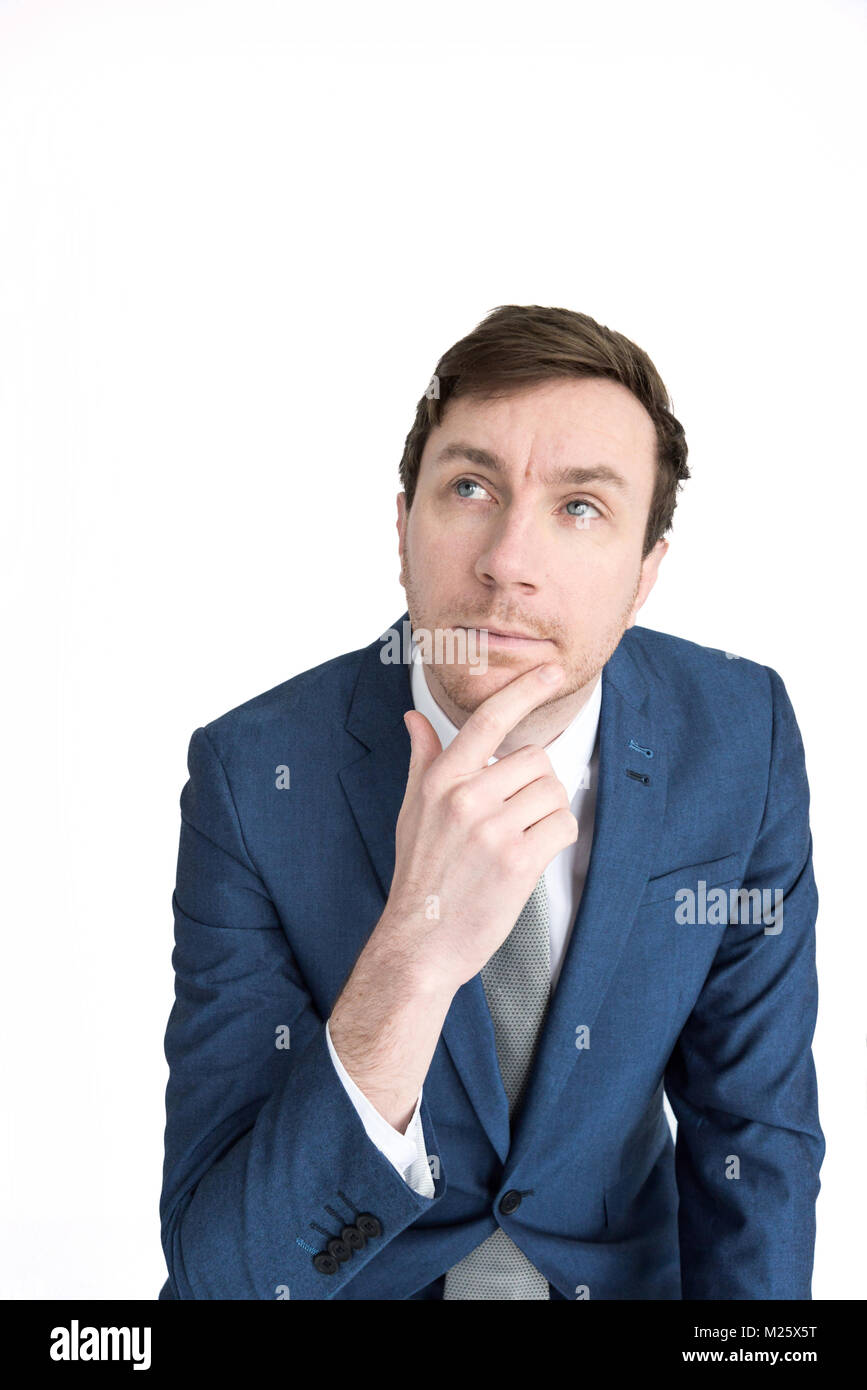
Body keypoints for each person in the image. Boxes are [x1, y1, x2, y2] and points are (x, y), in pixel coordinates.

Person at [158, 304, 824, 1299]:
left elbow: (754, 1141)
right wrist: (414, 956)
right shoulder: (254, 778)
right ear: (401, 527)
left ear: (646, 575)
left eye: (580, 507)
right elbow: (227, 1273)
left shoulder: (740, 736)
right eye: (469, 486)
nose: (509, 559)